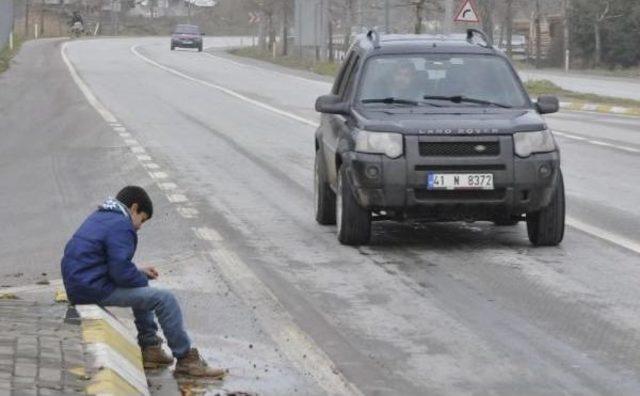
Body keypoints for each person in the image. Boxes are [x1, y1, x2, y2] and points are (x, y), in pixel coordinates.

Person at [60, 186, 225, 378]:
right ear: (134, 208)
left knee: (139, 283)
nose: (139, 226)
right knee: (164, 299)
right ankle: (186, 360)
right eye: (142, 219)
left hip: (80, 285)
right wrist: (139, 277)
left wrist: (139, 273)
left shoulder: (101, 216)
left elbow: (108, 263)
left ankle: (151, 348)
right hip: (92, 289)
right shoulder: (122, 224)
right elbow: (121, 273)